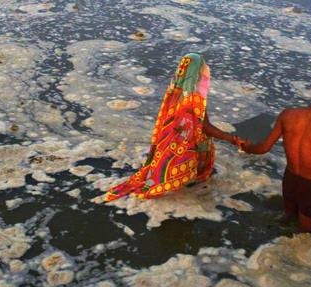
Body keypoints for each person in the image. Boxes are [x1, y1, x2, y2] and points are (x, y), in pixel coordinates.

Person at [105, 53, 246, 202]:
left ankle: (185, 183)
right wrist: (234, 139)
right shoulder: (192, 101)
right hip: (190, 152)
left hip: (178, 150)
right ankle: (192, 189)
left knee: (191, 181)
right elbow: (206, 127)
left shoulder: (175, 97)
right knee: (197, 184)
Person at [242, 73, 311, 232]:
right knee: (304, 235)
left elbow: (264, 148)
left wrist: (247, 147)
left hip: (290, 180)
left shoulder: (288, 115)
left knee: (287, 219)